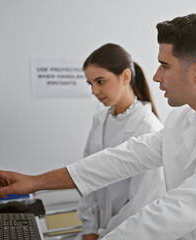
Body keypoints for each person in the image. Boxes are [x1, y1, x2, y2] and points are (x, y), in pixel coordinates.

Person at [0, 11, 196, 239]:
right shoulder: (185, 118)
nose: (154, 76)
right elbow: (122, 159)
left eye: (165, 66)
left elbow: (176, 210)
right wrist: (35, 181)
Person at [77, 43, 165, 240]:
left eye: (100, 81)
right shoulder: (100, 120)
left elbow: (141, 203)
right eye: (90, 84)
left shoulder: (149, 128)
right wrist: (89, 230)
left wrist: (105, 236)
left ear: (125, 77)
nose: (94, 91)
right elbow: (87, 176)